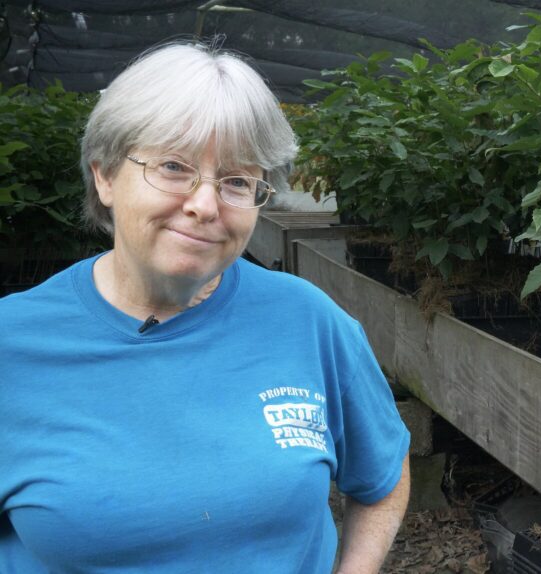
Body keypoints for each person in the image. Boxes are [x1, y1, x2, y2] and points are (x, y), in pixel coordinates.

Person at [0, 42, 411, 573]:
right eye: (173, 166)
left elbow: (383, 470)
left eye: (238, 181)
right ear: (104, 176)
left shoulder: (308, 320)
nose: (205, 204)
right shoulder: (13, 345)